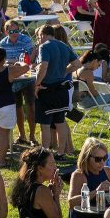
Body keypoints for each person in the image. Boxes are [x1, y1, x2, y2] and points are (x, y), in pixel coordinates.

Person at [33, 23, 81, 154]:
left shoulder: (45, 46)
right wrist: (64, 72)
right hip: (62, 89)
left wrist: (37, 84)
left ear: (43, 34)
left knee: (45, 125)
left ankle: (45, 152)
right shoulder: (64, 46)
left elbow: (43, 67)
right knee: (60, 122)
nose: (38, 40)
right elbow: (77, 64)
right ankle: (61, 153)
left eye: (38, 37)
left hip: (47, 88)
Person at [0, 47, 29, 167]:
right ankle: (2, 161)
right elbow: (27, 67)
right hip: (5, 104)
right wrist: (18, 62)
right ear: (4, 59)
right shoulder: (9, 70)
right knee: (3, 133)